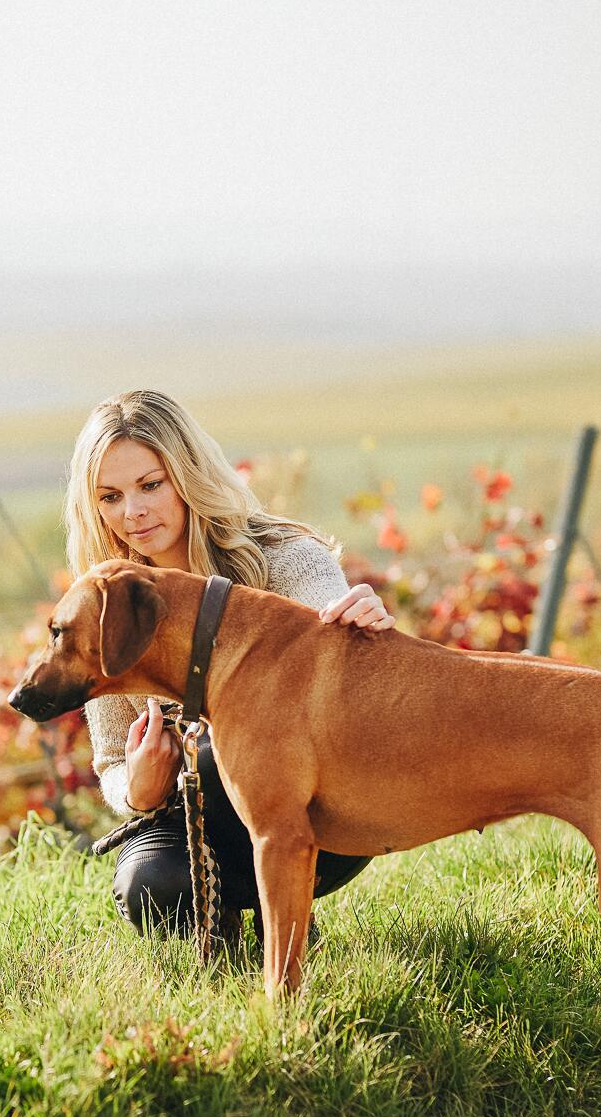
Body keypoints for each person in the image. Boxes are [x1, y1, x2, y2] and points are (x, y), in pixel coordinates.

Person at [64, 390, 394, 939]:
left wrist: (365, 640)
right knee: (150, 887)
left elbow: (342, 700)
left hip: (322, 812)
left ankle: (283, 908)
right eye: (110, 496)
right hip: (186, 821)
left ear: (188, 476)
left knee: (227, 744)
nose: (133, 512)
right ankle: (232, 930)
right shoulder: (108, 608)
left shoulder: (285, 561)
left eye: (151, 484)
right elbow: (110, 763)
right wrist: (138, 789)